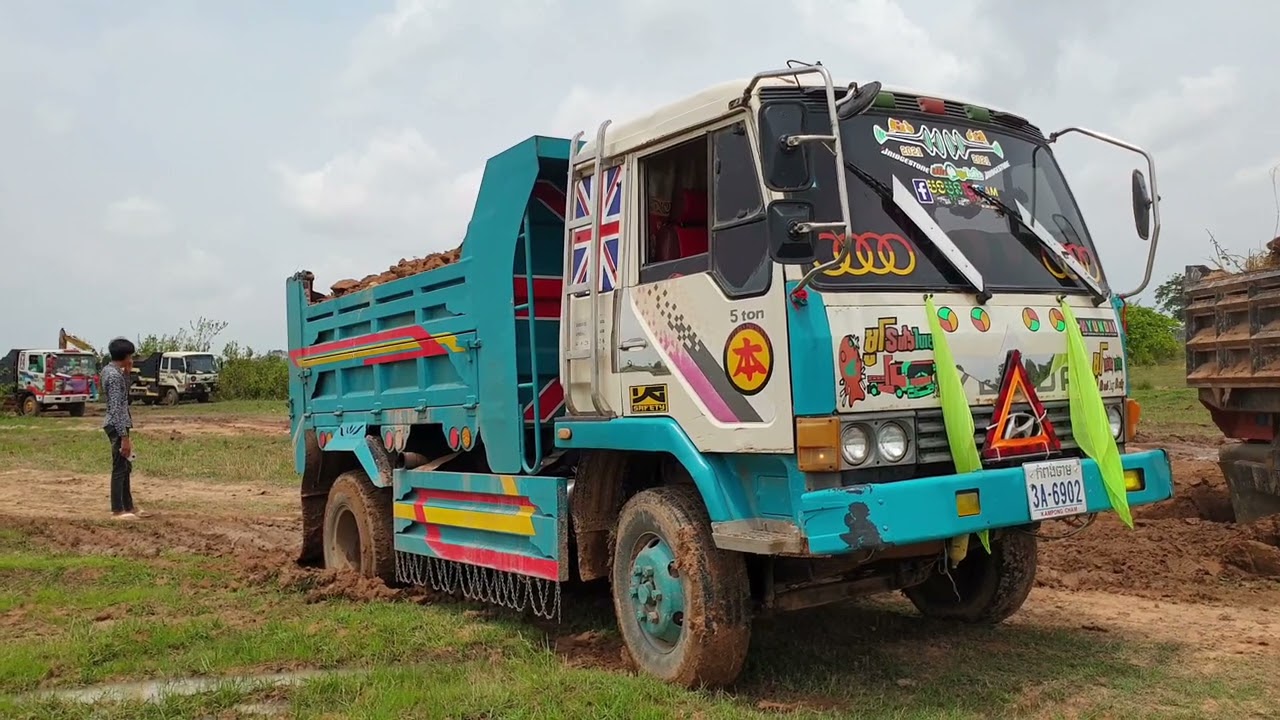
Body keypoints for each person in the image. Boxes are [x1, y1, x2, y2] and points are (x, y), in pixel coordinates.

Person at [102, 338, 143, 519]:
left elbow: (124, 397)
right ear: (126, 356)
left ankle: (128, 506)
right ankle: (117, 509)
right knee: (120, 467)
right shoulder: (112, 376)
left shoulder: (112, 372)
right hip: (117, 424)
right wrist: (124, 436)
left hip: (120, 424)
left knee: (125, 466)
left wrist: (127, 374)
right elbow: (117, 407)